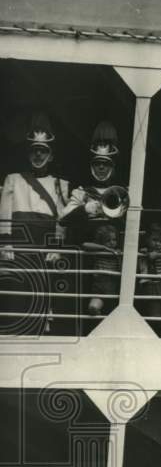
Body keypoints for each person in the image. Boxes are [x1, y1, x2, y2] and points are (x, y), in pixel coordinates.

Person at [0, 112, 71, 335]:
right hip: (19, 244)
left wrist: (56, 248)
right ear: (29, 153)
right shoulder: (13, 179)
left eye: (43, 151)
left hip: (43, 246)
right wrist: (6, 244)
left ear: (51, 156)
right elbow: (4, 215)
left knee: (42, 295)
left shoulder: (61, 184)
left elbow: (61, 220)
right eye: (35, 150)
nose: (38, 154)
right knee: (16, 294)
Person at [81, 223, 121, 319]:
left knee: (112, 314)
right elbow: (85, 245)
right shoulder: (98, 251)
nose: (112, 243)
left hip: (113, 286)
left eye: (114, 240)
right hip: (99, 286)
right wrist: (104, 248)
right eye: (108, 240)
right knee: (93, 307)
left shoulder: (118, 252)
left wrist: (118, 255)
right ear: (101, 242)